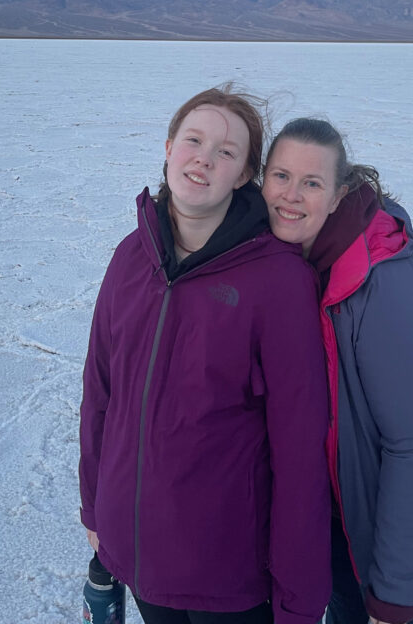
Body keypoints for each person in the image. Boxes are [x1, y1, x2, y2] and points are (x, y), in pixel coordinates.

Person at [79, 87, 332, 624]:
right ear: (169, 147)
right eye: (194, 140)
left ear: (244, 176)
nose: (204, 158)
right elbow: (100, 394)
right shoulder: (130, 257)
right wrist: (94, 504)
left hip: (230, 577)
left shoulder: (278, 281)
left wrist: (299, 597)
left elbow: (300, 451)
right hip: (138, 555)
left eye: (226, 151)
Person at [262, 119, 413, 624]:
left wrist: (394, 599)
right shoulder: (294, 259)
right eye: (280, 176)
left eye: (312, 182)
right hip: (349, 515)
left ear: (340, 193)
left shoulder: (384, 283)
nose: (291, 195)